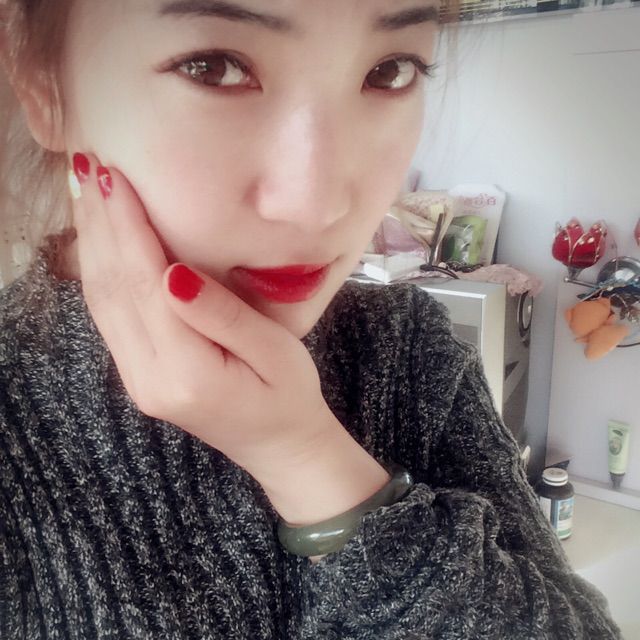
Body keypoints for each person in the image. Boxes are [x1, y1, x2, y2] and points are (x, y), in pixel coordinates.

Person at [0, 1, 623, 638]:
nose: (320, 206)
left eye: (389, 71)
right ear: (46, 89)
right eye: (213, 67)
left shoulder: (405, 343)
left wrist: (306, 458)